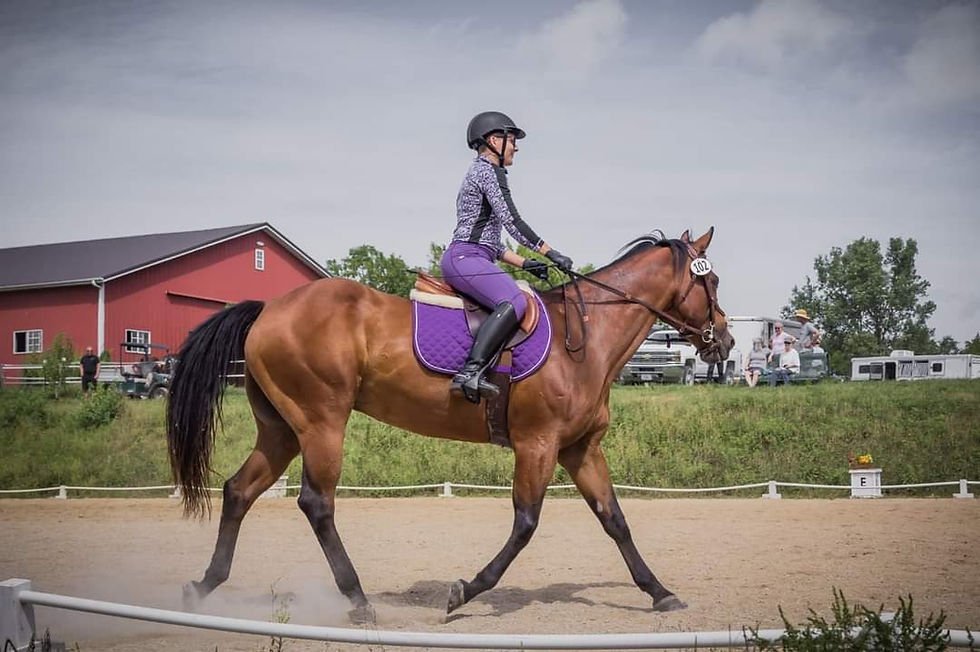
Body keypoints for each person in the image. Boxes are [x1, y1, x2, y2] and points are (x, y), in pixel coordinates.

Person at [441, 111, 574, 404]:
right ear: (493, 141)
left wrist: (527, 264)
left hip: (474, 256)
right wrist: (550, 251)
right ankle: (470, 372)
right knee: (514, 300)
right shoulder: (487, 171)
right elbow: (512, 221)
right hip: (465, 258)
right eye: (511, 139)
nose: (516, 146)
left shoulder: (480, 172)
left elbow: (494, 245)